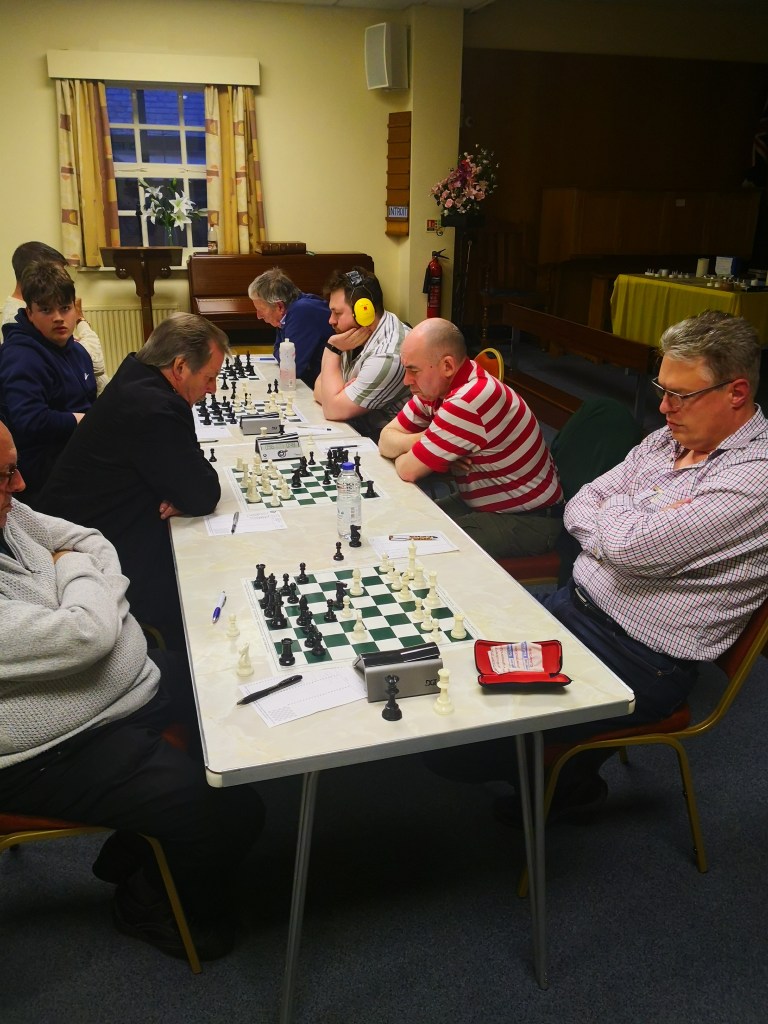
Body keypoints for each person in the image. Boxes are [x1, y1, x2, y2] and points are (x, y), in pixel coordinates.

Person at [428, 311, 768, 818]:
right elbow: (581, 504)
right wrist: (635, 520)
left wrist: (623, 520)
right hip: (574, 606)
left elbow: (632, 548)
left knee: (451, 739)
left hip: (639, 658)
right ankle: (564, 769)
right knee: (442, 656)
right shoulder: (670, 438)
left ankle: (564, 783)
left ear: (736, 392)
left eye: (680, 394)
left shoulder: (754, 479)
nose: (663, 407)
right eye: (662, 390)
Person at [0, 421, 264, 960]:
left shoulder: (9, 512)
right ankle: (146, 903)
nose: (21, 484)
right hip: (49, 748)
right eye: (5, 475)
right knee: (233, 812)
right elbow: (89, 633)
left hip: (118, 685)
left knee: (233, 690)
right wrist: (95, 606)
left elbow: (90, 542)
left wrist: (77, 583)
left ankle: (135, 847)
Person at [38, 313, 227, 652]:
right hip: (86, 549)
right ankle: (175, 655)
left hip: (79, 524)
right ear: (180, 367)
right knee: (203, 584)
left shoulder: (137, 375)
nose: (213, 389)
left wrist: (178, 483)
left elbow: (189, 475)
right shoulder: (155, 406)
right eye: (210, 377)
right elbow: (203, 492)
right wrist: (180, 488)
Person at [379, 318, 563, 558]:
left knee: (419, 549)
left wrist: (430, 446)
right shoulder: (438, 387)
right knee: (402, 528)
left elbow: (407, 469)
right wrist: (427, 440)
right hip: (481, 501)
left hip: (529, 519)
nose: (406, 380)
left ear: (447, 365)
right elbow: (385, 439)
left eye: (413, 370)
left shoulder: (467, 400)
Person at [0, 261, 96, 504]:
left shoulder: (77, 351)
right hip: (43, 472)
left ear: (75, 309)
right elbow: (29, 420)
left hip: (78, 452)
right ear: (29, 313)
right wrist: (80, 419)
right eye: (46, 310)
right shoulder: (21, 356)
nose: (58, 318)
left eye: (65, 308)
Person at [313, 267, 410, 440]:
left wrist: (332, 349)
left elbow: (332, 409)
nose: (331, 320)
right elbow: (319, 388)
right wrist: (335, 395)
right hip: (360, 430)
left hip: (387, 442)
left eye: (337, 313)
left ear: (364, 311)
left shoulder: (388, 355)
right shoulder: (353, 335)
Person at [2, 240, 109, 393]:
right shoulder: (17, 318)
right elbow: (96, 363)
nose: (62, 279)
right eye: (55, 273)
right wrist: (80, 319)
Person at [247, 266, 331, 387]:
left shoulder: (302, 310)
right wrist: (283, 356)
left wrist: (284, 356)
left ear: (280, 306)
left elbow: (293, 367)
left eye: (261, 309)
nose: (258, 316)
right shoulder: (288, 312)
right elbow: (277, 350)